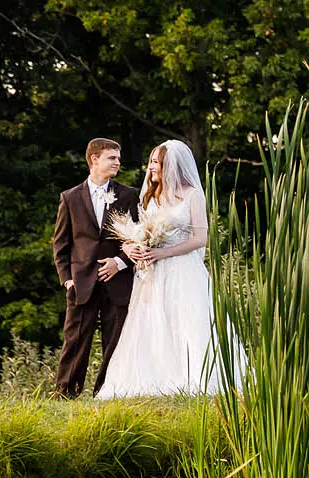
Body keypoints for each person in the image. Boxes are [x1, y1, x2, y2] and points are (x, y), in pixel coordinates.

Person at [97, 140, 227, 397]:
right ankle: (156, 377)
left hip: (182, 269)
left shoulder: (193, 195)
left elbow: (200, 239)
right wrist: (137, 246)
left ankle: (192, 378)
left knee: (186, 320)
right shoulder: (151, 195)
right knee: (153, 321)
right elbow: (142, 230)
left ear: (171, 165)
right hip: (152, 271)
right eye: (152, 161)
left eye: (157, 162)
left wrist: (162, 252)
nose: (152, 166)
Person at [51, 138, 141, 398]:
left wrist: (120, 262)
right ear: (94, 160)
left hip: (119, 280)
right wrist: (67, 280)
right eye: (112, 158)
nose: (118, 162)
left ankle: (106, 393)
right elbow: (61, 244)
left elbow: (138, 237)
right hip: (81, 281)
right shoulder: (69, 198)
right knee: (75, 340)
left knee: (116, 342)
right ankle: (65, 393)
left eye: (118, 157)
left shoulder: (128, 195)